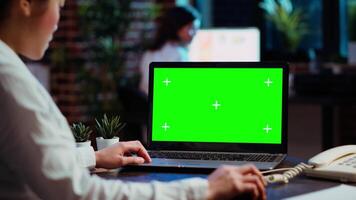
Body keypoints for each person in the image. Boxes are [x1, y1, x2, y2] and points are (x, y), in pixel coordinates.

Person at [0, 0, 266, 199]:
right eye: (59, 4)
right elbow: (77, 193)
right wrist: (205, 189)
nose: (58, 19)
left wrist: (94, 157)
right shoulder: (8, 78)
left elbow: (33, 162)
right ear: (26, 4)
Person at [139, 6, 201, 94]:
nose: (195, 33)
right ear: (177, 27)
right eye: (191, 28)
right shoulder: (178, 55)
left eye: (196, 29)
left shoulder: (149, 52)